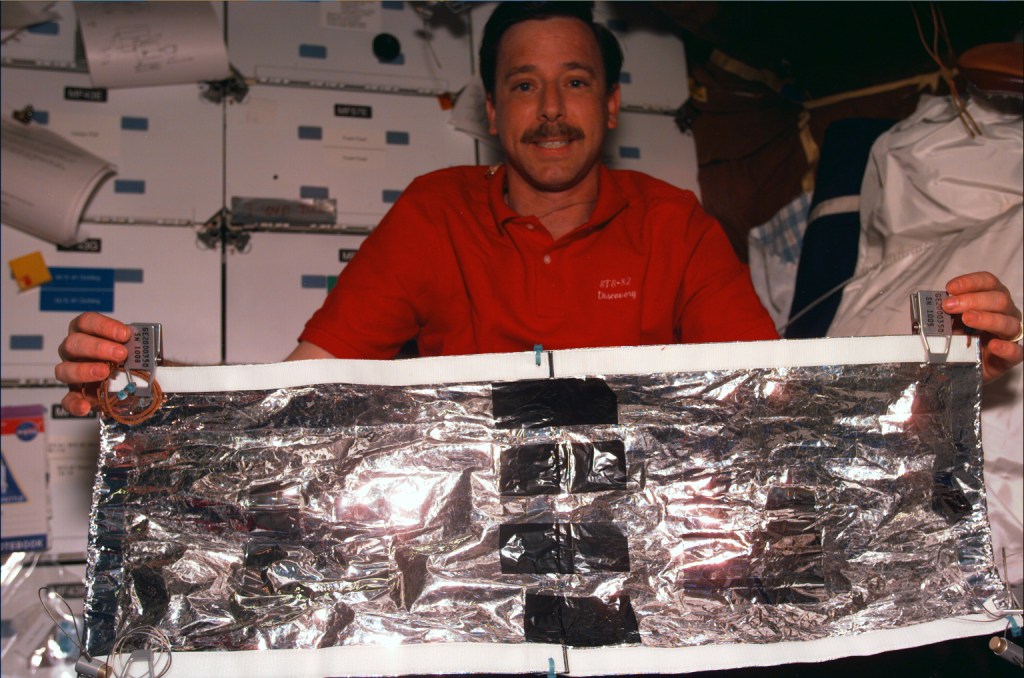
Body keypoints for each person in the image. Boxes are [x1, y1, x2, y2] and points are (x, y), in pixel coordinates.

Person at [54, 2, 1023, 418]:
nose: (550, 110)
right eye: (523, 86)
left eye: (573, 84)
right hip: (460, 551)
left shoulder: (673, 220)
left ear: (610, 106)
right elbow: (308, 386)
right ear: (490, 110)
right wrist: (156, 391)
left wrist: (933, 355)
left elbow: (764, 392)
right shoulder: (433, 211)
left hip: (647, 551)